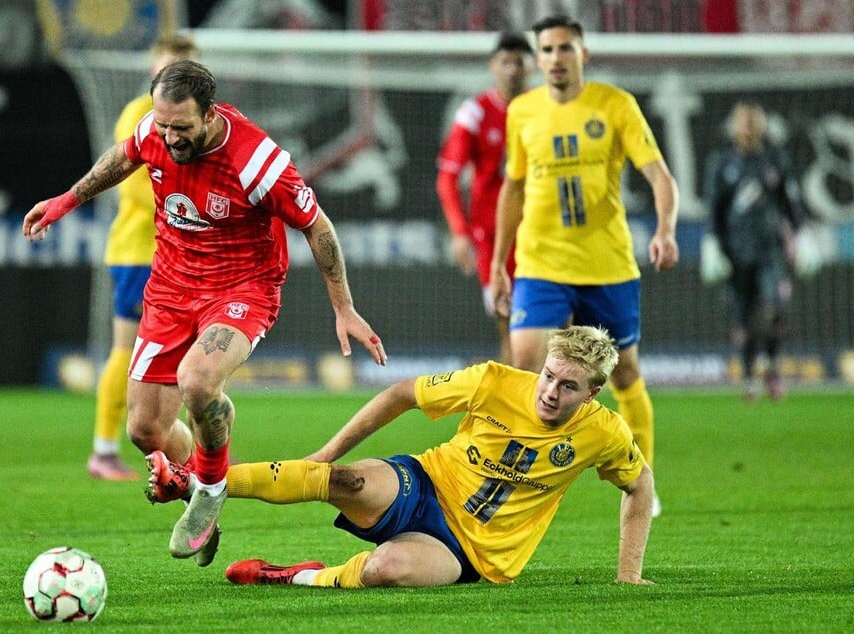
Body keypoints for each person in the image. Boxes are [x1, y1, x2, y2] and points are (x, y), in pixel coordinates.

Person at [23, 60, 387, 568]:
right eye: (163, 125)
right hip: (170, 289)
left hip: (242, 289)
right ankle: (192, 477)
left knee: (197, 382)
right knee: (145, 430)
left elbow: (318, 227)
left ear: (211, 114)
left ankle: (211, 489)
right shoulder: (156, 127)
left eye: (182, 128)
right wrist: (66, 199)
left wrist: (344, 307)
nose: (169, 138)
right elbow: (124, 156)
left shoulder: (257, 161)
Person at [212, 325, 654, 587]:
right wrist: (327, 452)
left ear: (593, 393)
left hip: (471, 551)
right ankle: (203, 482)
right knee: (349, 480)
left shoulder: (604, 432)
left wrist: (628, 572)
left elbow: (640, 484)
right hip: (425, 483)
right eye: (549, 376)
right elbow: (404, 393)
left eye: (569, 387)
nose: (551, 393)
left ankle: (295, 576)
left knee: (386, 570)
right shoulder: (494, 381)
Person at [490, 15, 678, 517]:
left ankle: (643, 480)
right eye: (546, 50)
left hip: (607, 264)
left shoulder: (615, 105)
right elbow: (512, 188)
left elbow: (659, 175)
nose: (555, 58)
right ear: (539, 58)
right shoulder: (522, 111)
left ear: (583, 53)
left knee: (625, 373)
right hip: (540, 261)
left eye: (564, 48)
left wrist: (664, 229)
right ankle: (517, 475)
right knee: (525, 359)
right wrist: (497, 264)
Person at [87, 34, 200, 482]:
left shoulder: (196, 121)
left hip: (183, 259)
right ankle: (104, 449)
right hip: (142, 252)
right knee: (127, 350)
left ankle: (194, 460)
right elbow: (135, 185)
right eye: (167, 64)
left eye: (183, 65)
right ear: (154, 65)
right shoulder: (140, 114)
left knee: (194, 363)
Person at [435, 31, 535, 364]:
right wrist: (460, 233)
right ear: (493, 65)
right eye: (505, 61)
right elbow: (448, 177)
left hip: (543, 233)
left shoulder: (544, 110)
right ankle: (519, 405)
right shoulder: (475, 112)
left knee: (547, 326)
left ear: (532, 66)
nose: (512, 69)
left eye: (519, 61)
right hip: (494, 238)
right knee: (509, 325)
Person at [702, 102, 808, 401]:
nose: (747, 128)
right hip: (736, 254)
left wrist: (803, 236)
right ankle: (749, 378)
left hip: (770, 251)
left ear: (761, 126)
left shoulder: (775, 161)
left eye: (752, 122)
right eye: (743, 122)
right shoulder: (722, 164)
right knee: (744, 319)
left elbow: (791, 203)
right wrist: (712, 243)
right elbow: (714, 210)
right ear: (734, 127)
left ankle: (772, 366)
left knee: (777, 310)